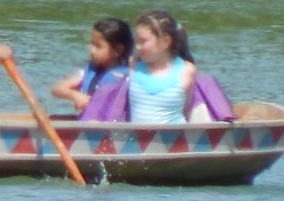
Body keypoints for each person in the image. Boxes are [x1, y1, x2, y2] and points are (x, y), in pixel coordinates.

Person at [79, 9, 233, 125]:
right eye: (136, 41)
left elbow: (186, 110)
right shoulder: (133, 65)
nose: (137, 46)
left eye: (143, 41)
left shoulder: (186, 70)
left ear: (165, 42)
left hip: (173, 141)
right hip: (136, 141)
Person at [51, 17, 133, 113]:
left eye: (98, 46)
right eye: (92, 44)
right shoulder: (89, 72)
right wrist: (75, 96)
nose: (92, 51)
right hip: (89, 121)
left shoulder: (130, 76)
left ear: (118, 50)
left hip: (113, 122)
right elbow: (56, 89)